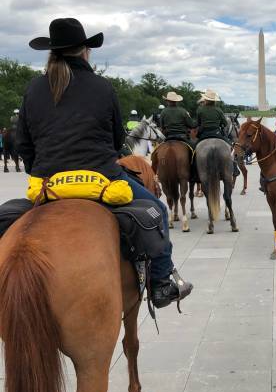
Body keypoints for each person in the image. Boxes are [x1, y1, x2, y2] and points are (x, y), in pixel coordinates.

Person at [14, 18, 192, 308]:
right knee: (157, 209)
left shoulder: (34, 89)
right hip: (101, 177)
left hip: (49, 183)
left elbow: (23, 144)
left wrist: (45, 170)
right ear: (85, 50)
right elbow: (114, 140)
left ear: (52, 51)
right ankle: (162, 282)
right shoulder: (101, 87)